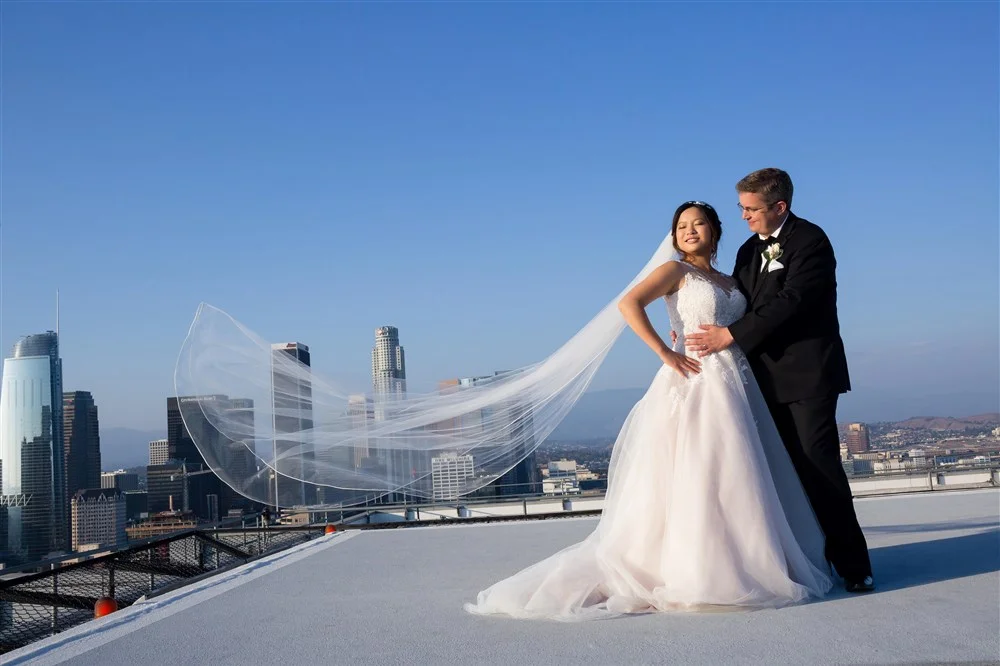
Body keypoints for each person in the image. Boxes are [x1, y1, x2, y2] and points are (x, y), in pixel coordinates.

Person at [465, 201, 833, 621]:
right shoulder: (677, 272)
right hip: (694, 380)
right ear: (674, 237)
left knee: (732, 474)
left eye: (698, 224)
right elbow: (629, 304)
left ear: (715, 230)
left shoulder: (730, 278)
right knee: (696, 471)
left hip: (734, 383)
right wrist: (664, 352)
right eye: (681, 226)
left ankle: (742, 563)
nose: (690, 231)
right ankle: (695, 570)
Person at [684, 168, 874, 593]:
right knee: (776, 473)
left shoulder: (812, 241)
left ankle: (853, 565)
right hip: (756, 378)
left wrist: (730, 335)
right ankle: (803, 561)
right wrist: (693, 323)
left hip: (807, 376)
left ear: (780, 207)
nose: (744, 217)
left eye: (751, 209)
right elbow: (739, 304)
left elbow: (794, 301)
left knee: (818, 466)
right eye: (742, 208)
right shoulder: (749, 250)